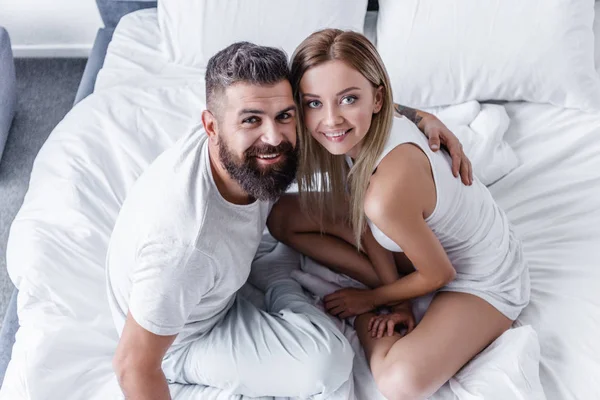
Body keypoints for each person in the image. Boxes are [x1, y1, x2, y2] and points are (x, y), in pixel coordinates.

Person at [106, 41, 472, 399]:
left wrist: (423, 118)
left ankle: (272, 279)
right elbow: (132, 365)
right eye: (251, 120)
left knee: (309, 214)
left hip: (222, 283)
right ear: (211, 127)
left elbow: (345, 98)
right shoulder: (184, 246)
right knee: (328, 363)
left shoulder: (270, 143)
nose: (273, 137)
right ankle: (277, 284)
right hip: (186, 336)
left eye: (285, 116)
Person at [268, 29, 530, 400]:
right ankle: (393, 289)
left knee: (398, 382)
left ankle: (375, 302)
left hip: (482, 277)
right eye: (313, 103)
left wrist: (370, 301)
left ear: (376, 98)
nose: (331, 120)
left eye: (347, 99)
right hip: (415, 237)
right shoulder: (365, 129)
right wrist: (400, 300)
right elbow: (369, 222)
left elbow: (440, 273)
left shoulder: (386, 193)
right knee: (282, 218)